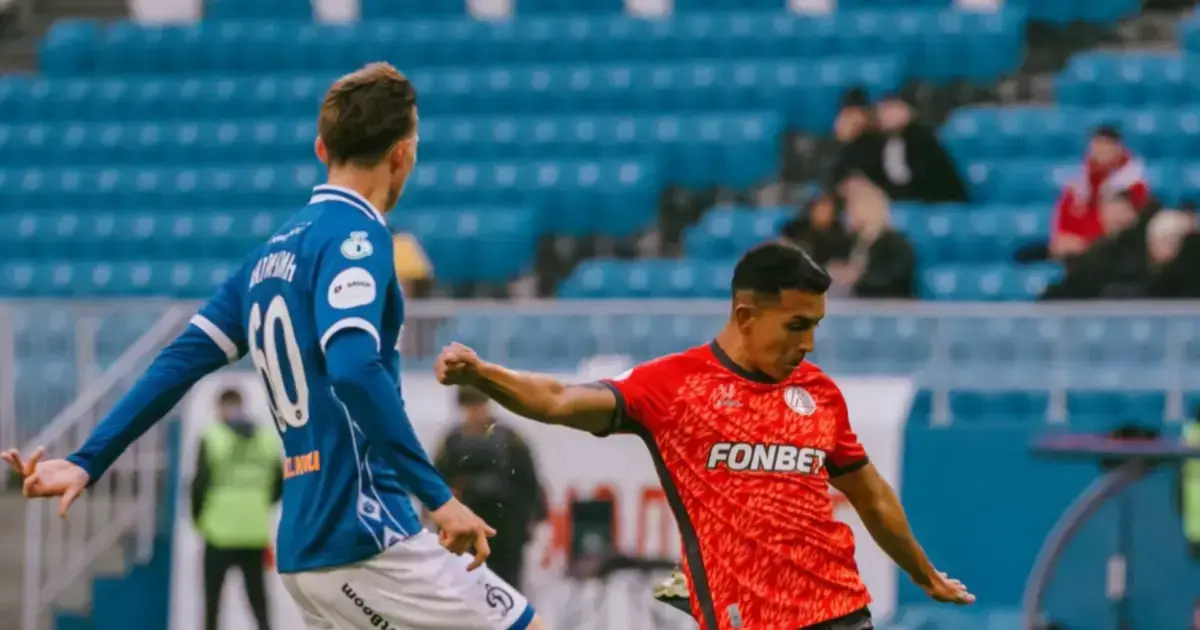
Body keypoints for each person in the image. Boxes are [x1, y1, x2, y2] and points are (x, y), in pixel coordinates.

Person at [1, 62, 543, 630]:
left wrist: (90, 460)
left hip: (307, 546)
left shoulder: (267, 258)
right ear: (403, 154)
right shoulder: (358, 237)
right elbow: (355, 370)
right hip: (367, 535)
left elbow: (177, 363)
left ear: (320, 148)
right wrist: (439, 497)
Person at [435, 241, 973, 630]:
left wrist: (924, 575)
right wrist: (484, 374)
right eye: (796, 325)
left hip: (842, 614)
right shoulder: (674, 387)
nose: (809, 342)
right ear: (745, 314)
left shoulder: (819, 392)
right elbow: (558, 400)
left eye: (816, 325)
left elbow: (871, 492)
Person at [433, 386, 546, 590]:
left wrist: (533, 519)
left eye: (479, 404)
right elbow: (437, 485)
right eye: (470, 406)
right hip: (466, 530)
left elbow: (530, 482)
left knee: (507, 589)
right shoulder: (452, 443)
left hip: (507, 529)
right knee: (465, 588)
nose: (476, 411)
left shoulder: (510, 440)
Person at [193, 388, 281, 630]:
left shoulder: (212, 436)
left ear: (221, 407)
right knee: (259, 600)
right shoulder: (266, 438)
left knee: (212, 601)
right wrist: (258, 504)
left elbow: (199, 483)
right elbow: (279, 483)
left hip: (218, 529)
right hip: (254, 529)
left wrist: (197, 517)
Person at [1048, 125, 1150, 260]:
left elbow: (1127, 235)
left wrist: (1086, 245)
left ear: (1118, 148)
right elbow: (1060, 238)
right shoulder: (1077, 186)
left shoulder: (1133, 186)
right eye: (1097, 144)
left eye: (1107, 144)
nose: (1101, 150)